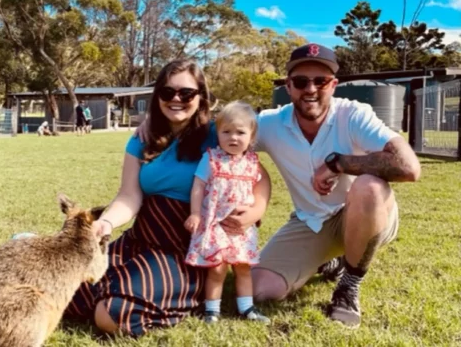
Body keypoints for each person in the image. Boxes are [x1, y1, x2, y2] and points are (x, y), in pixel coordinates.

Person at [63, 59, 271, 337]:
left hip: (189, 248)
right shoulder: (144, 138)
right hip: (142, 238)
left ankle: (180, 296)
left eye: (186, 93)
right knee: (69, 290)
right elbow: (129, 194)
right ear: (157, 95)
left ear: (201, 97)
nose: (176, 99)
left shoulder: (217, 135)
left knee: (111, 315)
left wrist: (256, 210)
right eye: (167, 92)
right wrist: (108, 224)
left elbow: (259, 175)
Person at [251, 43, 421, 328]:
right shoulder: (270, 123)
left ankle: (349, 285)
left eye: (321, 81)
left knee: (369, 186)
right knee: (261, 289)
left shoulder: (354, 114)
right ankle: (334, 259)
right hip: (311, 221)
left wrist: (338, 164)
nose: (311, 89)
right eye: (301, 81)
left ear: (334, 85)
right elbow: (220, 137)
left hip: (364, 213)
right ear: (289, 86)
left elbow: (409, 167)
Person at [184, 101, 269, 324]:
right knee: (217, 268)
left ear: (252, 136)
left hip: (241, 227)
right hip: (215, 224)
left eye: (240, 132)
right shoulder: (211, 158)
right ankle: (212, 310)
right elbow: (198, 186)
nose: (233, 138)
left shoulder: (252, 163)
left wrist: (254, 211)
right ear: (217, 133)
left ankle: (246, 307)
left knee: (242, 267)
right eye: (226, 132)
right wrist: (195, 213)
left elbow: (260, 188)